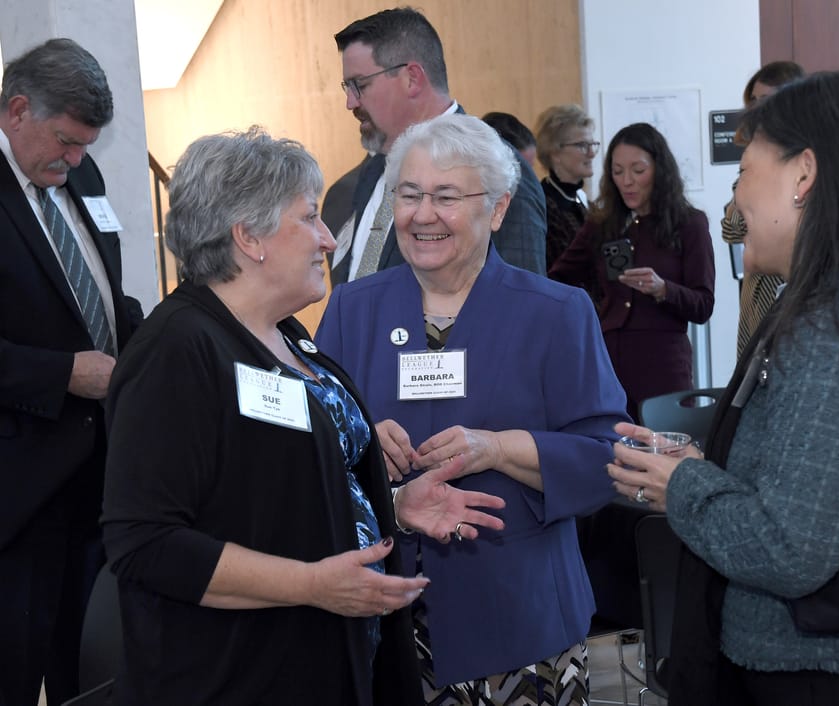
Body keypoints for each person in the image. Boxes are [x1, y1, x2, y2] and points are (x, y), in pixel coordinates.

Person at [101, 127, 506, 705]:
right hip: (233, 676)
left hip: (330, 661)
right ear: (249, 237)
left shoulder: (285, 334)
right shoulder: (176, 350)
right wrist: (312, 585)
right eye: (309, 218)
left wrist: (390, 507)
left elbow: (278, 489)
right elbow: (144, 542)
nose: (328, 240)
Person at [609, 71, 839, 706]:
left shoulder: (835, 331)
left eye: (744, 171)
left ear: (803, 176)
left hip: (837, 674)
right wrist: (701, 466)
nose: (736, 201)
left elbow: (788, 549)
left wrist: (684, 485)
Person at [314, 113, 629, 705]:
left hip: (520, 621)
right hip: (382, 622)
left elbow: (603, 458)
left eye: (446, 196)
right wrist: (356, 445)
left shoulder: (557, 312)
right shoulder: (352, 310)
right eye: (409, 194)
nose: (422, 214)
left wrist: (499, 447)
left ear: (499, 209)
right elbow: (305, 457)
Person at [0, 38, 143, 706]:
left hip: (99, 482)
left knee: (93, 675)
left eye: (87, 144)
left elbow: (108, 300)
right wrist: (63, 374)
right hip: (19, 493)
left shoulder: (80, 178)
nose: (79, 160)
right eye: (65, 141)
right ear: (17, 111)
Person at [329, 7, 546, 286]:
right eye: (346, 87)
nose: (351, 103)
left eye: (359, 85)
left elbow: (519, 302)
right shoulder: (364, 178)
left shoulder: (494, 169)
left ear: (412, 78)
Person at [550, 122, 715, 421]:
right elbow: (558, 278)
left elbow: (703, 305)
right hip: (609, 362)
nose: (627, 181)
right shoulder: (602, 223)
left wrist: (663, 288)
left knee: (664, 453)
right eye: (617, 171)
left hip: (663, 365)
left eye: (638, 171)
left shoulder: (690, 224)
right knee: (612, 456)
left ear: (659, 170)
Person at [722, 60, 804, 357]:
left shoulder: (808, 160)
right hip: (757, 294)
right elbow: (731, 229)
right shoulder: (753, 154)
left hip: (793, 292)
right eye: (753, 101)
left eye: (767, 101)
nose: (757, 110)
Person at [535, 104, 598, 270]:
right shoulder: (542, 207)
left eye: (593, 144)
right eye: (582, 145)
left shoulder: (589, 205)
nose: (591, 153)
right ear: (555, 153)